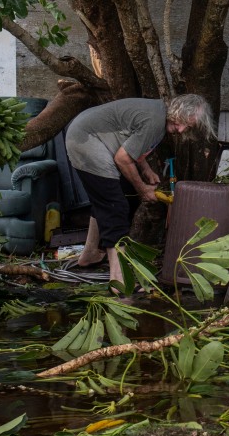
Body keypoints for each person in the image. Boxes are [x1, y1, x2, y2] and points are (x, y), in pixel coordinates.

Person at [67, 94, 215, 292]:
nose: (180, 130)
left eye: (187, 127)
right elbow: (122, 158)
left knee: (105, 199)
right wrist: (143, 189)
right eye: (181, 123)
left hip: (85, 134)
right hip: (86, 140)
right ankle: (119, 282)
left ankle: (91, 252)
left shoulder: (157, 117)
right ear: (177, 111)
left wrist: (146, 170)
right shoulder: (154, 121)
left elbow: (130, 145)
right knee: (115, 207)